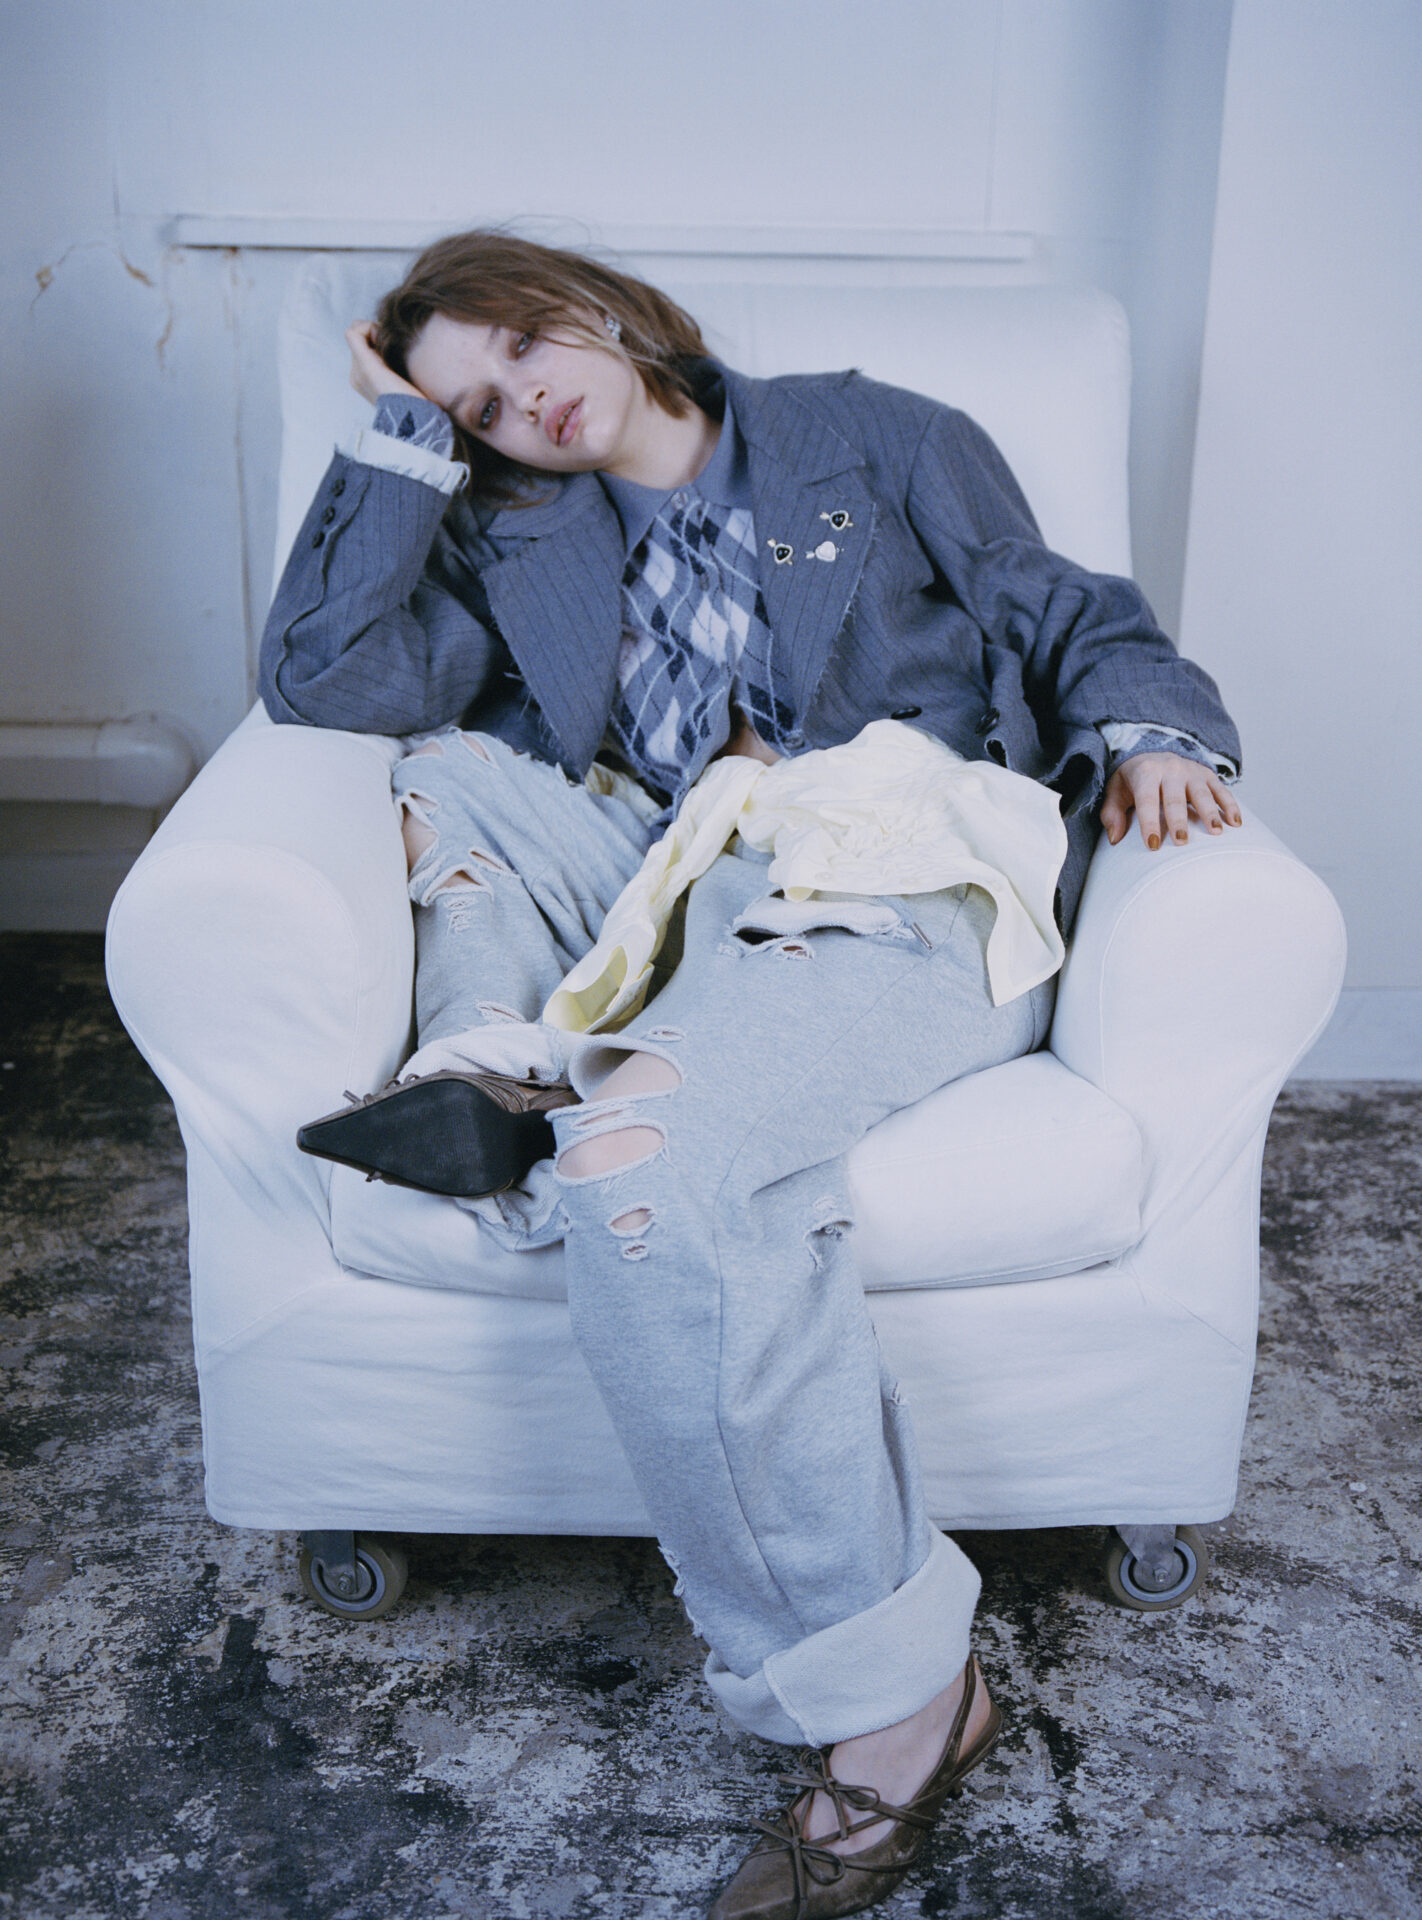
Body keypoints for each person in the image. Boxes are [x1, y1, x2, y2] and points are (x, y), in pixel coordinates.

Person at [259, 230, 1241, 1920]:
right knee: (446, 767)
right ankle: (491, 1060)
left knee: (640, 1169)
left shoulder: (875, 436)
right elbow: (320, 682)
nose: (520, 403)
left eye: (520, 347)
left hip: (883, 866)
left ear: (593, 306)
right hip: (673, 877)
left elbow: (1057, 602)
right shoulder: (517, 530)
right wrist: (402, 443)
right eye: (476, 405)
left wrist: (1154, 735)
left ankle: (895, 1700)